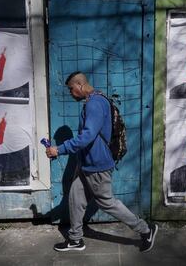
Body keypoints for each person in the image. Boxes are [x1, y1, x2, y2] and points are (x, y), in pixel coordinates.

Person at [45, 71, 158, 252]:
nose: (71, 93)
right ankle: (75, 239)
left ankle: (145, 229)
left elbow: (87, 137)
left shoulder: (95, 104)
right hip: (86, 163)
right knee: (75, 197)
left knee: (107, 202)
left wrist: (59, 149)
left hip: (97, 164)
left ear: (80, 85)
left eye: (71, 89)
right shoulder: (96, 100)